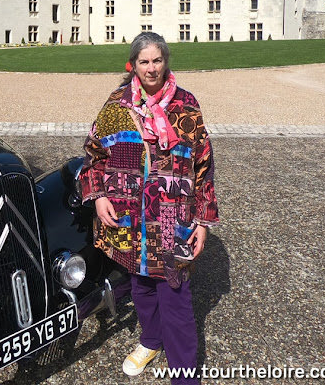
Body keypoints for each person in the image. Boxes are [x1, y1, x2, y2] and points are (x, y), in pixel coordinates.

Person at [80, 32, 219, 385]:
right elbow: (94, 156)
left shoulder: (185, 104)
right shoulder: (116, 105)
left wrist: (203, 221)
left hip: (171, 216)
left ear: (166, 62)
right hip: (128, 215)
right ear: (134, 65)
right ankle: (151, 340)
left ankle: (185, 375)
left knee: (174, 292)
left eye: (157, 60)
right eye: (144, 61)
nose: (151, 68)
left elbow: (204, 165)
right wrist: (98, 197)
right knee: (140, 285)